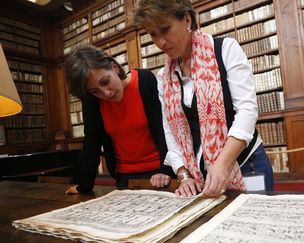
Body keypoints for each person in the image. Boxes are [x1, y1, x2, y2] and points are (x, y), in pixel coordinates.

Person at [134, 0, 274, 197]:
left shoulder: (225, 49)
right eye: (153, 34)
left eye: (165, 29)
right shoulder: (163, 77)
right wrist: (183, 174)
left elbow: (247, 112)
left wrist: (223, 164)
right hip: (201, 175)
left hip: (246, 166)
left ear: (187, 20)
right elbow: (169, 130)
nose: (160, 42)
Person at [64, 45, 174, 194]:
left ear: (114, 67)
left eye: (105, 82)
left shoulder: (144, 80)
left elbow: (164, 127)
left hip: (160, 173)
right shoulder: (92, 100)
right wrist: (84, 187)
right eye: (95, 91)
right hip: (124, 177)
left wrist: (165, 169)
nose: (106, 93)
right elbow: (92, 143)